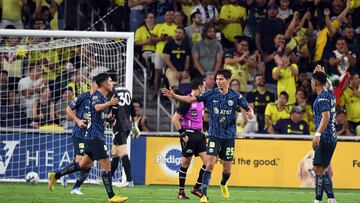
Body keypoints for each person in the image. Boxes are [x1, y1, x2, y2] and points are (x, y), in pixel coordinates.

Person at [162, 69, 254, 203]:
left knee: (227, 170)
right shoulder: (210, 94)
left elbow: (248, 108)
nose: (218, 81)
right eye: (217, 79)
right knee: (209, 164)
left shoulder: (236, 96)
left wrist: (250, 113)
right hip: (213, 136)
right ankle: (203, 194)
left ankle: (223, 183)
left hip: (228, 137)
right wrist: (174, 96)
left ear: (227, 80)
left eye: (221, 79)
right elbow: (190, 99)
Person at [48, 73, 128, 203]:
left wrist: (109, 119)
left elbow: (98, 116)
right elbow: (96, 108)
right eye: (109, 81)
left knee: (82, 164)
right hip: (94, 136)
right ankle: (112, 197)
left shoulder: (103, 97)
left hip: (92, 136)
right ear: (102, 84)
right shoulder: (96, 96)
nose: (111, 83)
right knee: (106, 165)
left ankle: (55, 175)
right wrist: (110, 103)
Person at [172, 78, 207, 199]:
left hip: (200, 135)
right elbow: (175, 119)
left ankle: (196, 188)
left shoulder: (202, 100)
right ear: (199, 87)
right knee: (185, 163)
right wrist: (183, 135)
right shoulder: (187, 101)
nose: (205, 88)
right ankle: (181, 192)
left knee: (208, 163)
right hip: (189, 135)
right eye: (204, 86)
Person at [311, 66, 337, 203]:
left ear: (315, 83)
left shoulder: (321, 99)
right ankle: (331, 198)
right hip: (331, 137)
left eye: (312, 80)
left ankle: (318, 200)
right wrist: (323, 75)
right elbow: (330, 85)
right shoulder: (330, 94)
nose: (311, 83)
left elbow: (325, 117)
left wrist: (317, 134)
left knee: (318, 169)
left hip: (325, 137)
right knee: (322, 168)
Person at [110, 82, 140, 188]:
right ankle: (108, 178)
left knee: (122, 153)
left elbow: (111, 110)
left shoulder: (113, 91)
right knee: (115, 152)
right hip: (127, 125)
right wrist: (135, 126)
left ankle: (129, 180)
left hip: (119, 126)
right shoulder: (126, 91)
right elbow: (133, 111)